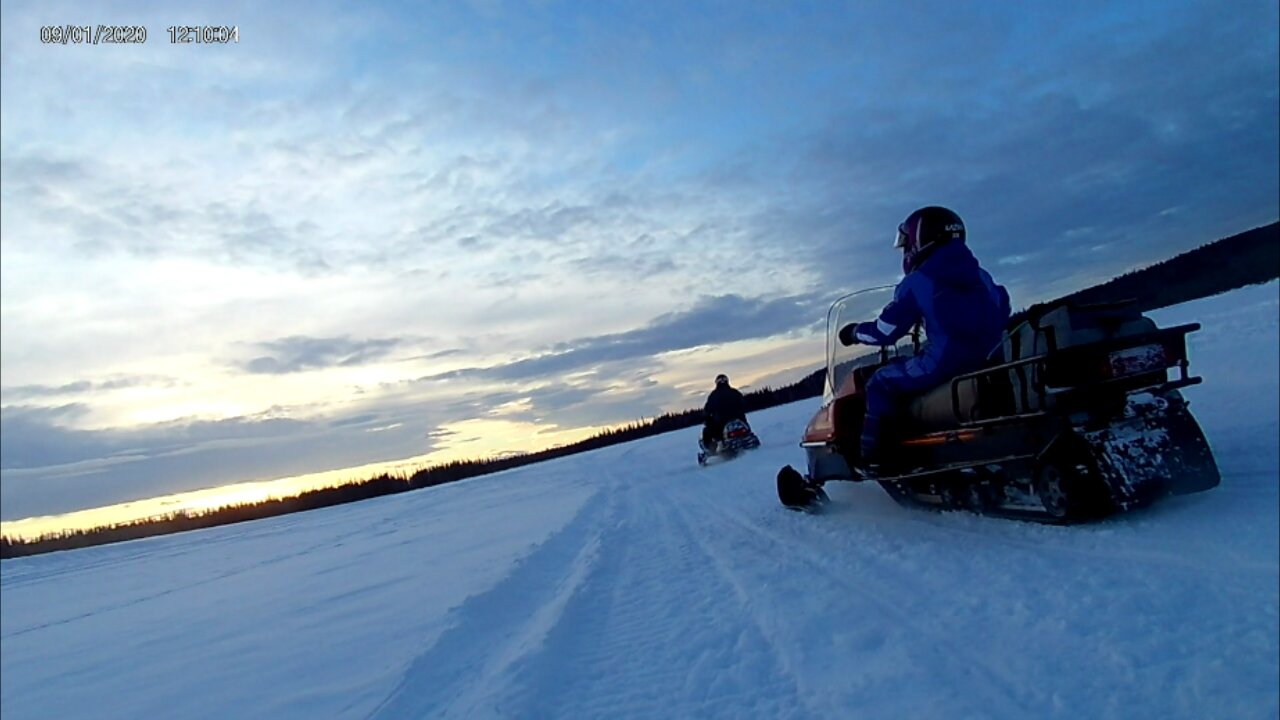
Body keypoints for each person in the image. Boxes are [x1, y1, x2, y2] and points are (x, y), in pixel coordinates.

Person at [838, 206, 1011, 471]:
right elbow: (1002, 307)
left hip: (944, 362)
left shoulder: (919, 281)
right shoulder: (981, 275)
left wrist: (852, 332)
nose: (905, 251)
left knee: (879, 382)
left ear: (920, 240)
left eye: (906, 244)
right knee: (907, 364)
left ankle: (875, 459)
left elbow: (886, 331)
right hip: (994, 358)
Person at [701, 373, 748, 451]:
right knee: (743, 421)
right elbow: (743, 403)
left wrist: (706, 415)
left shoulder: (714, 395)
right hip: (738, 418)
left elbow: (708, 409)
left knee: (708, 429)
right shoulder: (734, 392)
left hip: (722, 421)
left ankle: (715, 447)